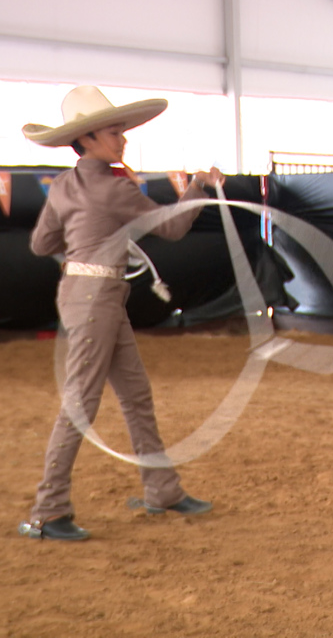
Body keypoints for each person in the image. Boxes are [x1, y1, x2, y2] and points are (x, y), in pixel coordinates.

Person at [18, 85, 225, 540]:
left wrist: (84, 245)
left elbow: (41, 244)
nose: (123, 138)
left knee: (134, 393)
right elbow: (173, 227)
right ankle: (48, 509)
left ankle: (162, 489)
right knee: (83, 402)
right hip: (99, 299)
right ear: (87, 138)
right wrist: (198, 186)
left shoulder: (64, 185)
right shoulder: (114, 188)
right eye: (114, 132)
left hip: (88, 295)